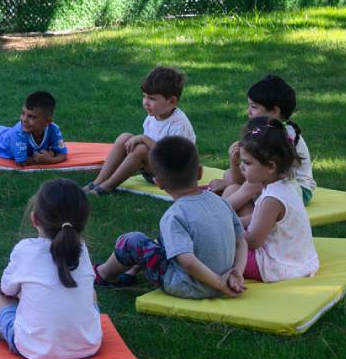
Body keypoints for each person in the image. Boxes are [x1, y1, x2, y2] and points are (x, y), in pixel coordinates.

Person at [95, 136, 247, 298]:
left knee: (131, 241)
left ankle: (103, 274)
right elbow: (241, 241)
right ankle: (131, 271)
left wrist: (219, 283)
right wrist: (237, 273)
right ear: (200, 172)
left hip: (190, 285)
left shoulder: (174, 215)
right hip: (226, 278)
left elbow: (187, 262)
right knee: (165, 239)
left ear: (158, 183)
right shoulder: (221, 202)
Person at [0, 179, 103, 359]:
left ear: (34, 219)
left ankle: (4, 328)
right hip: (88, 344)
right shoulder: (83, 250)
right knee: (91, 294)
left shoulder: (25, 249)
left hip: (34, 348)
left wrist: (12, 291)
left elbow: (6, 290)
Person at [226, 117, 320, 282]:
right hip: (297, 260)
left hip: (275, 266)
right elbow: (258, 221)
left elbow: (253, 242)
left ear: (270, 166)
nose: (241, 166)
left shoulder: (272, 199)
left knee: (215, 248)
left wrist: (224, 230)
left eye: (247, 163)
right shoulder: (286, 184)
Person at [208, 74, 316, 210]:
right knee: (230, 177)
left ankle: (220, 212)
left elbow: (263, 174)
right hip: (271, 179)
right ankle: (229, 211)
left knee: (248, 185)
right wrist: (233, 160)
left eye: (253, 106)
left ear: (275, 111)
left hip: (297, 189)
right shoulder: (264, 131)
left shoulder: (281, 134)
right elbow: (245, 175)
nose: (248, 112)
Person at [84, 66, 196, 196]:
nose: (145, 103)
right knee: (124, 137)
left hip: (173, 176)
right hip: (155, 170)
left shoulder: (179, 124)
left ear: (172, 101)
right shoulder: (153, 115)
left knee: (141, 150)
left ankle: (105, 188)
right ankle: (98, 182)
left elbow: (172, 157)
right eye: (144, 96)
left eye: (152, 99)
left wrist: (145, 139)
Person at [0, 91, 69, 166]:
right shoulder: (19, 133)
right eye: (23, 113)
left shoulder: (53, 129)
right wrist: (44, 159)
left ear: (47, 122)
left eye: (31, 117)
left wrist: (50, 160)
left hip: (4, 133)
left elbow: (63, 154)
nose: (24, 119)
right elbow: (21, 161)